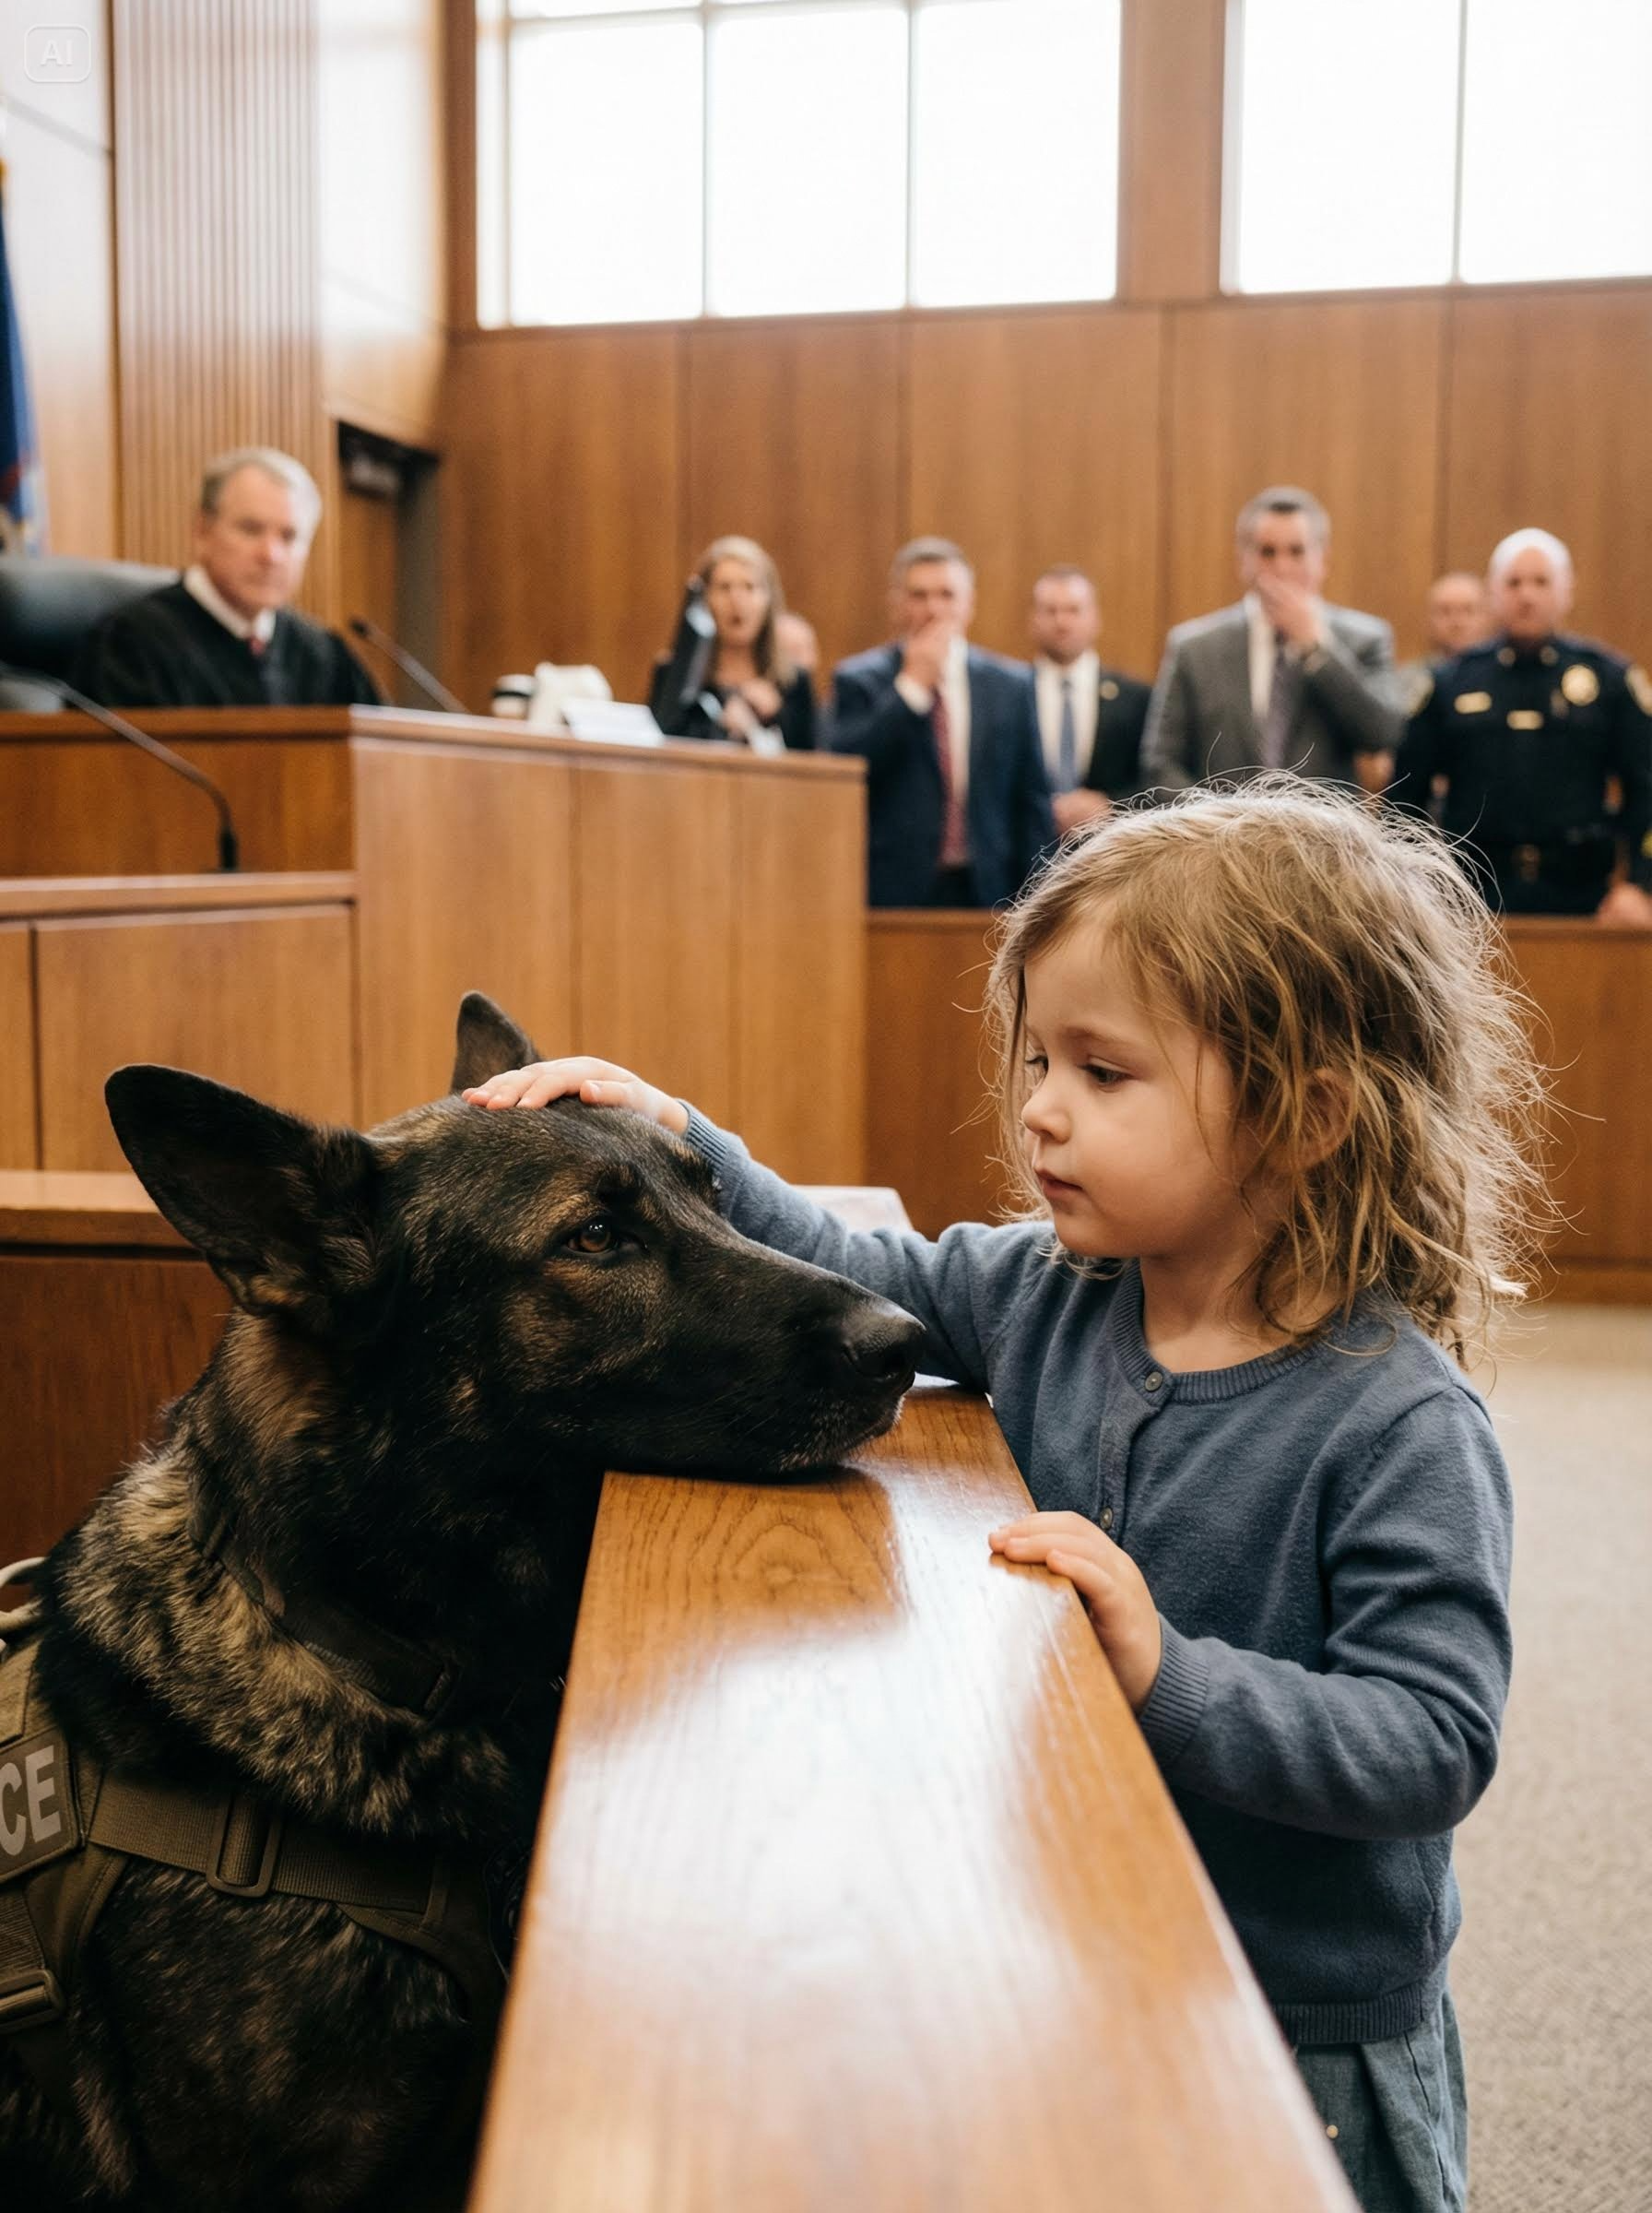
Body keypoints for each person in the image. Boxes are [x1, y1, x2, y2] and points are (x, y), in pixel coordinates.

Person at [467, 777, 1546, 2213]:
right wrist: (684, 1141)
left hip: (1306, 2027)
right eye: (1040, 1060)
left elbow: (1432, 1739)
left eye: (1103, 1074)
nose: (1039, 1112)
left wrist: (1169, 1674)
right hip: (1087, 1932)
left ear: (1306, 1117)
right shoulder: (1056, 1290)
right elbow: (868, 1273)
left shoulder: (1402, 1423)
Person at [1393, 527, 1652, 922]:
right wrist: (1412, 887)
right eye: (1513, 583)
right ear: (1493, 594)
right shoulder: (1450, 682)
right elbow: (1405, 798)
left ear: (1567, 592)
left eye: (1541, 582)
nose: (1526, 595)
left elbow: (1646, 788)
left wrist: (1641, 884)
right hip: (1470, 899)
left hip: (1583, 897)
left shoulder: (1608, 680)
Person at [832, 538, 1055, 907]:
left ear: (969, 605)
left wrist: (1036, 897)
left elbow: (1031, 799)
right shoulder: (859, 681)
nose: (933, 609)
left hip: (989, 889)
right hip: (891, 893)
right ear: (897, 604)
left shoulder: (1010, 686)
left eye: (947, 595)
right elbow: (847, 775)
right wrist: (911, 689)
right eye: (919, 596)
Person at [73, 447, 381, 709]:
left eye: (288, 537)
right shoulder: (132, 644)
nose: (271, 555)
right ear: (202, 532)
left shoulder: (324, 656)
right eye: (251, 529)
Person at [1142, 487, 1401, 795]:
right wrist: (1216, 823)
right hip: (1218, 835)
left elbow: (1382, 733)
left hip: (1320, 837)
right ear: (1244, 559)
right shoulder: (1194, 648)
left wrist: (1317, 650)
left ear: (1322, 558)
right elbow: (1160, 764)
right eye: (1267, 552)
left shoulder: (1365, 639)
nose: (1282, 568)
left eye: (1297, 551)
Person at [648, 535, 815, 752]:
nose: (737, 600)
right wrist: (717, 726)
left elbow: (815, 762)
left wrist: (778, 717)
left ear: (768, 600)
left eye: (750, 587)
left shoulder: (793, 683)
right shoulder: (673, 677)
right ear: (705, 599)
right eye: (724, 588)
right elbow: (657, 750)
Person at [1028, 565, 1152, 832]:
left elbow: (1154, 779)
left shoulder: (1135, 698)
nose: (1062, 621)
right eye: (1051, 610)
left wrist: (1111, 806)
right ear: (1034, 619)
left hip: (1110, 850)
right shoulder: (1012, 693)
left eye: (1073, 610)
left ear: (1094, 618)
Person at [1397, 574, 1493, 716]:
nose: (1457, 622)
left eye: (1468, 610)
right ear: (1428, 620)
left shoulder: (1507, 677)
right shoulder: (1407, 681)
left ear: (1487, 617)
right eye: (1445, 611)